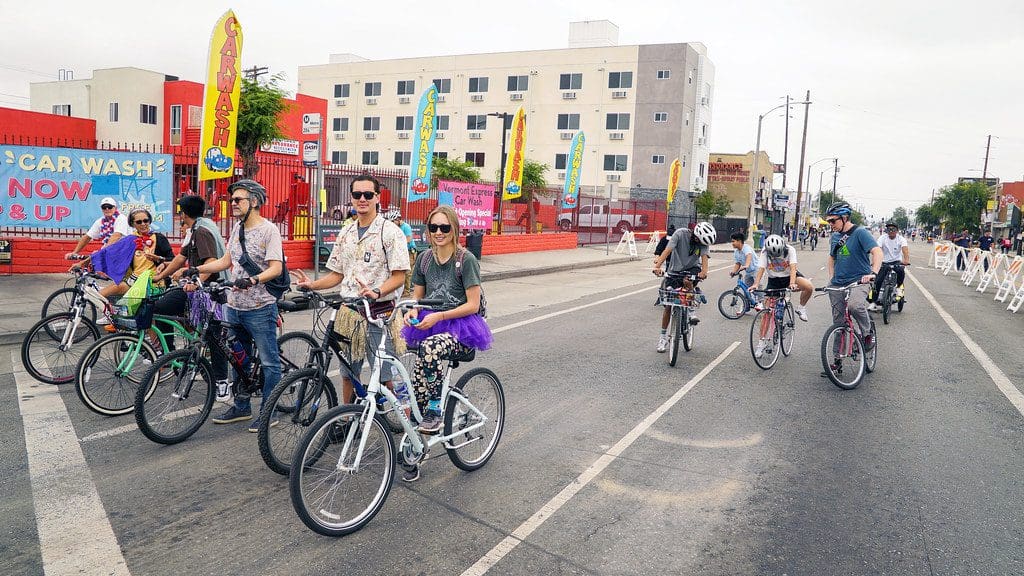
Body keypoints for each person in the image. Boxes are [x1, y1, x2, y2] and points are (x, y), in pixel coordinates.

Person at [294, 174, 410, 406]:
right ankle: (346, 417)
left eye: (368, 194)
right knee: (348, 372)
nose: (362, 199)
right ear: (352, 198)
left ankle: (407, 423)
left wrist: (377, 291)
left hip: (379, 313)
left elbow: (400, 276)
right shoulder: (346, 232)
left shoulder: (390, 232)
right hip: (349, 313)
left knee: (387, 375)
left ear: (378, 197)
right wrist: (313, 285)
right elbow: (338, 274)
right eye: (357, 195)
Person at [399, 205, 492, 483]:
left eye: (444, 228)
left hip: (462, 330)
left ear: (454, 230)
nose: (438, 233)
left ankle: (435, 410)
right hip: (432, 325)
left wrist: (439, 315)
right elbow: (417, 299)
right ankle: (417, 447)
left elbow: (473, 304)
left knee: (430, 350)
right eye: (433, 227)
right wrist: (412, 313)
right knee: (416, 383)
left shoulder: (466, 260)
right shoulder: (425, 259)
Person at [193, 179, 285, 432]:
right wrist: (196, 269)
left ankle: (269, 411)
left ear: (254, 202)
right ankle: (242, 407)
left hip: (260, 307)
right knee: (239, 360)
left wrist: (254, 278)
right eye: (231, 199)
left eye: (238, 200)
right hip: (234, 306)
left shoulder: (269, 231)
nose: (232, 203)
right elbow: (225, 261)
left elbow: (276, 268)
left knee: (269, 362)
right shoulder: (237, 229)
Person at [151, 194, 230, 400]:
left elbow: (211, 260)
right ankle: (171, 354)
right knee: (158, 307)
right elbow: (180, 258)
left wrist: (196, 283)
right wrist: (160, 275)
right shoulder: (196, 229)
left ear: (184, 214)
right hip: (194, 287)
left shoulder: (202, 231)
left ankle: (222, 381)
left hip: (210, 290)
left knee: (212, 334)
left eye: (180, 212)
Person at [825, 202, 882, 354]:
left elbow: (877, 252)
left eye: (833, 220)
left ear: (844, 218)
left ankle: (867, 332)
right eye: (828, 221)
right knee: (838, 323)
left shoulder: (860, 233)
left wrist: (873, 273)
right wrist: (831, 278)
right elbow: (832, 258)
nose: (830, 224)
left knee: (855, 305)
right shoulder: (835, 237)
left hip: (859, 280)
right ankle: (837, 359)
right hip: (838, 283)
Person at [652, 221, 716, 353]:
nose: (700, 244)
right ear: (694, 235)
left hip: (692, 269)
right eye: (699, 241)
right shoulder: (680, 234)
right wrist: (657, 266)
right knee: (669, 305)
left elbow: (704, 261)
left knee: (688, 282)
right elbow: (667, 250)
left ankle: (691, 310)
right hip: (674, 270)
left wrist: (703, 273)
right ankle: (663, 337)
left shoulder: (703, 243)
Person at [753, 234, 814, 320]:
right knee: (767, 314)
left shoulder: (790, 249)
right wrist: (755, 284)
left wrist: (792, 283)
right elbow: (761, 269)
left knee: (808, 286)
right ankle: (763, 334)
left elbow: (793, 268)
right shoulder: (765, 251)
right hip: (774, 280)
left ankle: (801, 308)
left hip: (789, 276)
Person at [65, 196, 130, 260]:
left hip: (124, 251)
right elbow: (87, 237)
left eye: (110, 207)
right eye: (104, 207)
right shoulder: (100, 221)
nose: (107, 209)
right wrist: (74, 252)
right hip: (109, 251)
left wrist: (102, 252)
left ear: (115, 208)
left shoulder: (121, 218)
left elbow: (116, 236)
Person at [868, 222, 910, 312]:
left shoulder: (901, 239)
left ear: (897, 231)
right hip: (884, 262)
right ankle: (873, 302)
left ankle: (899, 288)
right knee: (878, 281)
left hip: (896, 262)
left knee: (901, 272)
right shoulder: (882, 238)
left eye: (893, 229)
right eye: (889, 229)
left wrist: (906, 260)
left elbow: (905, 250)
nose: (891, 231)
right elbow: (877, 249)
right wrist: (874, 262)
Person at [728, 231, 759, 310]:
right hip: (748, 272)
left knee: (757, 287)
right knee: (746, 289)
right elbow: (738, 263)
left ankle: (760, 303)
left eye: (733, 241)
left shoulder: (746, 248)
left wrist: (746, 265)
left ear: (739, 241)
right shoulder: (736, 251)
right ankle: (746, 306)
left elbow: (749, 256)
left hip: (756, 269)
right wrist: (734, 272)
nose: (732, 243)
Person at [389, 209, 417, 295]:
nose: (393, 223)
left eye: (394, 221)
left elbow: (408, 239)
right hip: (400, 251)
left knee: (408, 272)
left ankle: (407, 291)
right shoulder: (394, 228)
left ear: (398, 220)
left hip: (410, 251)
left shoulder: (406, 227)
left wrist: (398, 243)